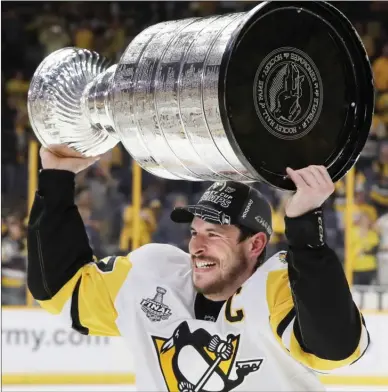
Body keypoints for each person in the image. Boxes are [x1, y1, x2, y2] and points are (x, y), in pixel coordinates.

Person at [27, 146, 370, 392]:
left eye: (215, 234)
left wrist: (305, 230)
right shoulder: (152, 275)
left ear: (255, 245)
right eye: (194, 232)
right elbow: (59, 289)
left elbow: (335, 348)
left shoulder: (275, 288)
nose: (196, 246)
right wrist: (57, 177)